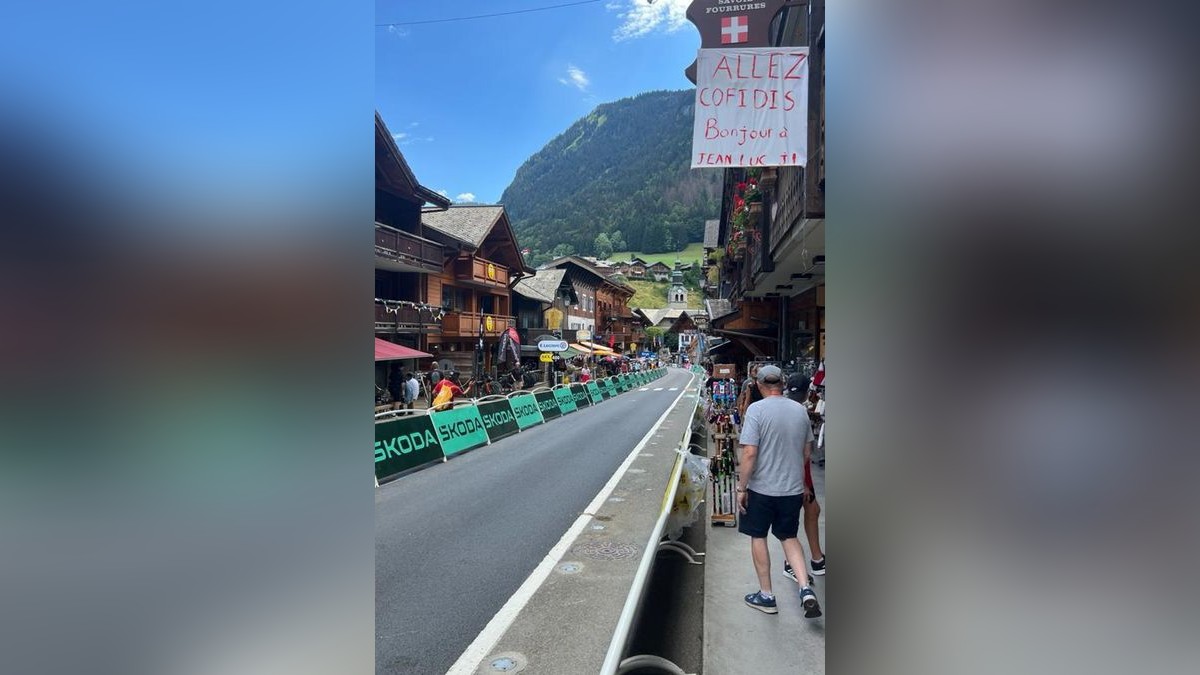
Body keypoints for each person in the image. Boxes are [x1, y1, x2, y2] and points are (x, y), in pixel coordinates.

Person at [736, 364, 822, 618]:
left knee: (758, 536)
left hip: (762, 489)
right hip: (792, 489)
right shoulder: (799, 410)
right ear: (782, 385)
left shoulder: (756, 410)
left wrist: (742, 487)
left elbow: (749, 452)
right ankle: (805, 588)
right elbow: (806, 453)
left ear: (760, 386)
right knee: (789, 537)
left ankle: (766, 595)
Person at [781, 373, 826, 582]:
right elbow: (804, 452)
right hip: (795, 473)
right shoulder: (799, 412)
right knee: (794, 517)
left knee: (810, 511)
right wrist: (804, 483)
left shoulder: (783, 408)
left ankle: (816, 559)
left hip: (790, 472)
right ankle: (794, 563)